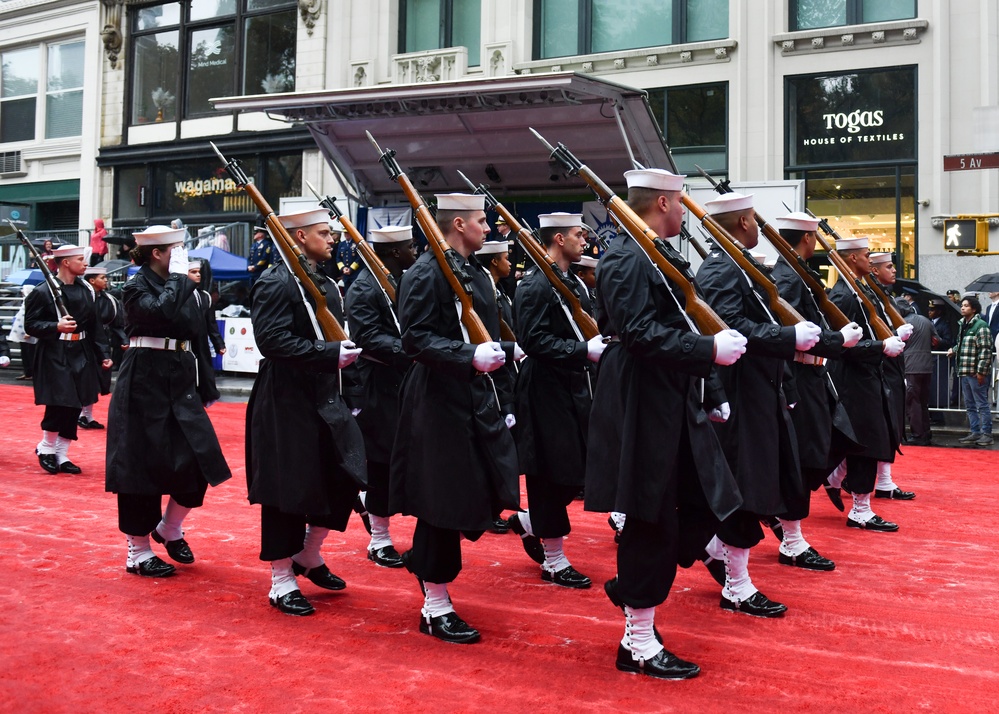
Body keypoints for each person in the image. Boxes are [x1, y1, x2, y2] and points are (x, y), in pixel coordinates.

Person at [586, 168, 745, 679]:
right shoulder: (628, 257)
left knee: (704, 502)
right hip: (643, 401)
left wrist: (710, 381)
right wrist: (708, 350)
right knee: (651, 517)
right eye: (680, 203)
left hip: (673, 397)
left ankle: (632, 586)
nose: (684, 212)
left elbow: (678, 322)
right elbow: (637, 334)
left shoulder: (656, 254)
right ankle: (637, 640)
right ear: (660, 204)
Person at [390, 192, 523, 644]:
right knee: (441, 503)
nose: (487, 229)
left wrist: (500, 367)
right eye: (480, 221)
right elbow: (415, 340)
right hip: (439, 399)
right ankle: (435, 604)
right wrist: (468, 356)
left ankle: (426, 567)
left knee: (474, 496)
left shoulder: (476, 274)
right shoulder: (426, 273)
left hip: (474, 397)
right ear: (459, 225)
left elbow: (483, 335)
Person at [695, 193, 822, 616]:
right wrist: (789, 339)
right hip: (739, 393)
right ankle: (737, 584)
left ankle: (717, 554)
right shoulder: (720, 267)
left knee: (762, 482)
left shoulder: (740, 265)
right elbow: (732, 326)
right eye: (753, 220)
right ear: (745, 222)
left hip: (760, 389)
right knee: (745, 489)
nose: (757, 228)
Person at [246, 209, 366, 616]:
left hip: (325, 396)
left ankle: (309, 553)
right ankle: (281, 580)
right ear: (298, 237)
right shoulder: (275, 281)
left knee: (341, 478)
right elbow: (273, 342)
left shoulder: (326, 283)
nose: (331, 239)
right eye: (323, 233)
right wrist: (329, 354)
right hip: (286, 399)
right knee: (287, 490)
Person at [105, 226, 232, 578]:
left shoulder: (185, 286)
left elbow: (194, 332)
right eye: (175, 249)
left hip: (180, 376)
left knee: (199, 458)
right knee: (139, 466)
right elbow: (161, 313)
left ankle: (169, 527)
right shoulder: (134, 286)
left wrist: (206, 384)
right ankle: (138, 551)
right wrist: (180, 279)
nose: (182, 254)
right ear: (157, 254)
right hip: (144, 378)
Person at [511, 211, 604, 589]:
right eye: (579, 235)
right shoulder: (534, 285)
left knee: (577, 473)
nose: (586, 241)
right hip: (545, 388)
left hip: (574, 386)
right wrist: (583, 350)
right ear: (559, 240)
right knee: (550, 475)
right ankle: (553, 558)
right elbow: (532, 341)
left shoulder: (574, 285)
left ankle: (531, 521)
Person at [772, 211, 864, 568]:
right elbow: (798, 336)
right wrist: (838, 340)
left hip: (812, 377)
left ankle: (784, 520)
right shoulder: (790, 279)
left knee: (820, 450)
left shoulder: (793, 275)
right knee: (805, 459)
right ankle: (791, 538)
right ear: (807, 239)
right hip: (800, 376)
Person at [345, 225, 417, 569]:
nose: (414, 252)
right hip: (379, 381)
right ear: (393, 252)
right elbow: (368, 336)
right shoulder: (363, 287)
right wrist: (412, 349)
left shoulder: (404, 280)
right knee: (382, 461)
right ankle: (380, 539)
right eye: (409, 247)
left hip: (406, 379)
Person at [825, 237, 904, 531]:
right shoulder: (843, 296)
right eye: (865, 255)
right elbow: (843, 344)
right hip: (852, 379)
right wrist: (882, 346)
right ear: (850, 259)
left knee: (867, 442)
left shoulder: (857, 291)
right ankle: (860, 509)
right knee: (863, 444)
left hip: (867, 376)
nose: (869, 261)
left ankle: (841, 486)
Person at [24, 245, 111, 474]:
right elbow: (30, 325)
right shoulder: (43, 291)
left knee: (77, 402)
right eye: (80, 259)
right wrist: (56, 326)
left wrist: (104, 354)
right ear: (65, 263)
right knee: (60, 401)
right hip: (55, 351)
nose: (85, 264)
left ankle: (61, 454)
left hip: (80, 350)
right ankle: (46, 447)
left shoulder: (86, 290)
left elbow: (95, 326)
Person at [475, 236, 519, 534]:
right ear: (493, 261)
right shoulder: (484, 292)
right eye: (505, 257)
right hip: (491, 372)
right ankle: (486, 508)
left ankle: (492, 505)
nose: (510, 263)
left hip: (503, 371)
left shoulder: (498, 291)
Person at [868, 252, 915, 500]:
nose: (894, 270)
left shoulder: (882, 296)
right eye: (888, 267)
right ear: (874, 271)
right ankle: (836, 477)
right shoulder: (868, 296)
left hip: (890, 368)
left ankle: (885, 480)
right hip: (877, 368)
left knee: (891, 426)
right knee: (879, 429)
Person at [78, 265, 126, 429]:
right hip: (83, 341)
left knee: (98, 378)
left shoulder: (110, 301)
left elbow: (117, 324)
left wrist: (124, 340)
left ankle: (86, 415)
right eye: (102, 278)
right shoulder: (82, 298)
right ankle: (80, 414)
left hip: (102, 341)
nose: (106, 280)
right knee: (84, 378)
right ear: (92, 280)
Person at [949, 295, 994, 446]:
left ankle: (986, 434)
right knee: (970, 404)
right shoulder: (963, 324)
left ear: (974, 309)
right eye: (962, 305)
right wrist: (954, 349)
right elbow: (963, 344)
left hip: (975, 373)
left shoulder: (981, 326)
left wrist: (981, 371)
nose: (962, 307)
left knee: (982, 404)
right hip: (964, 371)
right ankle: (975, 432)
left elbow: (985, 350)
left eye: (966, 306)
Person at [897, 298, 937, 445]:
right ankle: (926, 433)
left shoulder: (902, 323)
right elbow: (936, 340)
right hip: (927, 366)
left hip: (911, 366)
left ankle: (918, 434)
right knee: (923, 401)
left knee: (912, 402)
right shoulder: (926, 320)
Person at [187, 260, 225, 405]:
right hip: (186, 341)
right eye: (193, 272)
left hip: (201, 343)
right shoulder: (180, 295)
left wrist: (219, 344)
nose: (198, 275)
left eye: (199, 272)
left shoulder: (205, 297)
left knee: (204, 371)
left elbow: (211, 323)